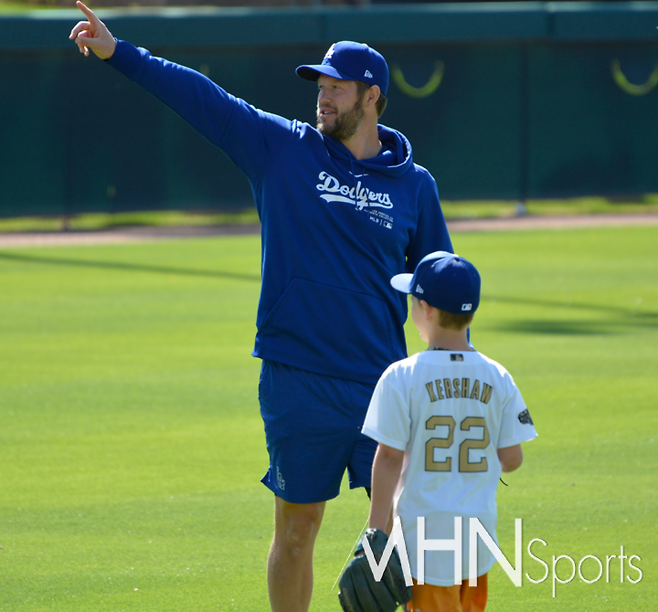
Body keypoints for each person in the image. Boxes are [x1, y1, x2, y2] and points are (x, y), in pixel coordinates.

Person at [70, 4, 454, 611]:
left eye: (336, 87)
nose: (322, 97)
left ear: (372, 97)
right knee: (297, 531)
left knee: (412, 533)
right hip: (297, 377)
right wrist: (122, 54)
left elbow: (439, 289)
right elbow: (205, 100)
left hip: (381, 383)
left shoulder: (414, 185)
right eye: (320, 86)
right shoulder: (284, 149)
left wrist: (446, 371)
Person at [362, 251, 538, 612]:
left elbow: (389, 457)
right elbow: (513, 459)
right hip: (478, 537)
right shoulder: (498, 376)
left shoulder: (401, 376)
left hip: (425, 540)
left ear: (425, 309)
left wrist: (375, 534)